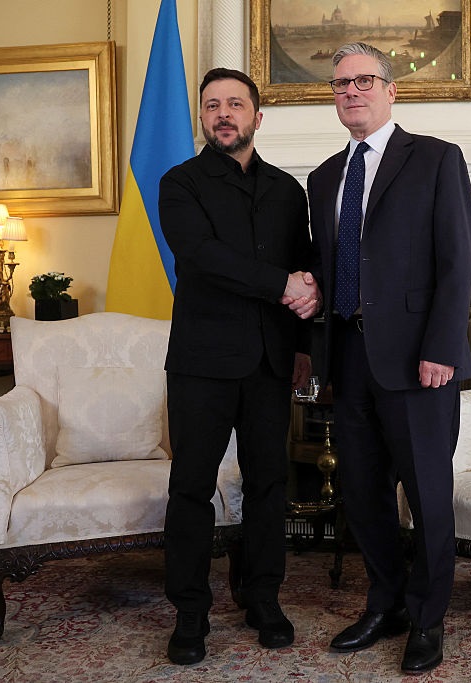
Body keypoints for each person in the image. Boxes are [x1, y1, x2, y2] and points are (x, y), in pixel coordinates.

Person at [295, 41, 471, 674]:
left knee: (428, 496)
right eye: (340, 84)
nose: (350, 91)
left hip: (419, 363)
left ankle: (427, 618)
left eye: (363, 80)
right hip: (348, 358)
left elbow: (457, 263)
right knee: (363, 493)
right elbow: (329, 268)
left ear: (391, 90)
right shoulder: (323, 177)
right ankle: (386, 603)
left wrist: (442, 348)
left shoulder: (435, 159)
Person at [159, 67, 319, 665]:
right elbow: (202, 258)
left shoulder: (288, 191)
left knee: (269, 485)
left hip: (271, 362)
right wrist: (283, 284)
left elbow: (304, 265)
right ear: (203, 118)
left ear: (257, 116)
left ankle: (263, 598)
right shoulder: (180, 183)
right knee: (192, 487)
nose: (223, 114)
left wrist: (303, 345)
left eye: (235, 104)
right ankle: (190, 611)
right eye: (212, 105)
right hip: (202, 363)